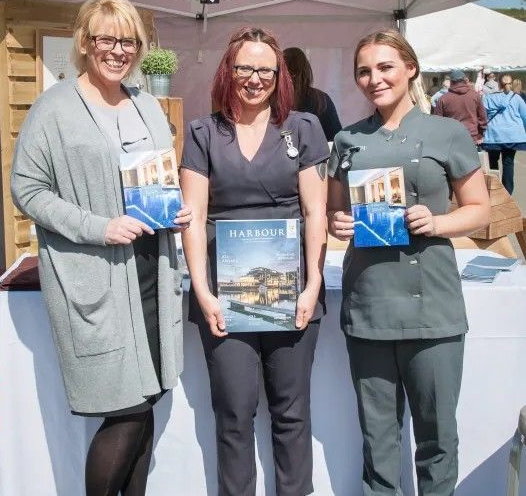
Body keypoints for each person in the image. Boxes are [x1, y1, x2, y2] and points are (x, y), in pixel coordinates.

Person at [10, 0, 192, 496]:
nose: (119, 50)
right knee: (125, 411)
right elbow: (27, 188)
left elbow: (158, 176)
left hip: (151, 270)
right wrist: (98, 226)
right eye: (107, 39)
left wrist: (173, 210)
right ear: (86, 44)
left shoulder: (148, 105)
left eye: (128, 40)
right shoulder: (55, 108)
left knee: (147, 399)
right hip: (99, 275)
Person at [327, 28, 490, 496]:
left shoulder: (448, 132)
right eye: (364, 71)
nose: (374, 79)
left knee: (437, 439)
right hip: (370, 309)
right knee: (378, 441)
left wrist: (436, 223)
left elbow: (478, 210)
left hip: (433, 309)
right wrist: (338, 225)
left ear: (410, 69)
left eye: (384, 67)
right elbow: (335, 213)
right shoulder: (347, 140)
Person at [180, 27, 329, 496]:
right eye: (245, 67)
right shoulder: (203, 132)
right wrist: (203, 294)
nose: (255, 78)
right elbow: (194, 216)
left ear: (279, 74)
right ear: (229, 70)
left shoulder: (303, 127)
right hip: (224, 298)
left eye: (266, 69)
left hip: (294, 294)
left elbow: (315, 211)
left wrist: (312, 286)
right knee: (234, 414)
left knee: (291, 411)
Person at [283, 46, 343, 141]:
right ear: (306, 70)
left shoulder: (273, 99)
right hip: (317, 154)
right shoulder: (321, 99)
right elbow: (336, 138)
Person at [482, 73, 526, 194]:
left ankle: (494, 189)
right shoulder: (516, 98)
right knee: (508, 163)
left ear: (499, 83)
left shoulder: (489, 98)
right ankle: (507, 192)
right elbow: (524, 116)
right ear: (510, 84)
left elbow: (482, 116)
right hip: (512, 136)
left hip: (493, 135)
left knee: (492, 163)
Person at [434, 69, 488, 148]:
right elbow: (482, 117)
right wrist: (480, 134)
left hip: (451, 138)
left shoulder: (443, 99)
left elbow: (437, 121)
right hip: (471, 136)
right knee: (470, 160)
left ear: (451, 82)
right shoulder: (475, 96)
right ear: (465, 80)